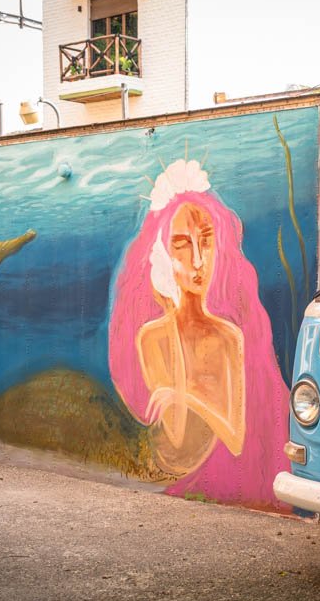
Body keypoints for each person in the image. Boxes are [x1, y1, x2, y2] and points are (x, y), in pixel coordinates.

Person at [109, 159, 289, 509]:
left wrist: (187, 398)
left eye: (205, 242)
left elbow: (236, 439)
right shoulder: (151, 338)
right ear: (161, 256)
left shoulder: (228, 338)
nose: (197, 260)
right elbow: (170, 438)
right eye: (181, 245)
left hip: (225, 481)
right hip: (174, 488)